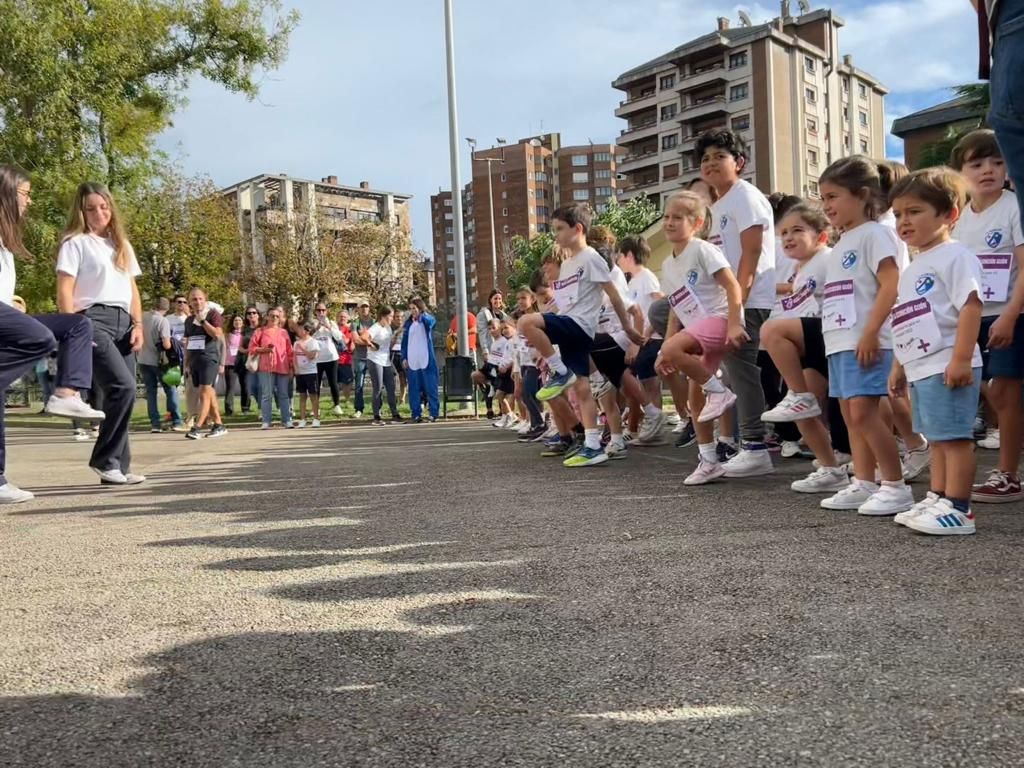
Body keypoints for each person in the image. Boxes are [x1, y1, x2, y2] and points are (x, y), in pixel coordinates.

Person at [888, 168, 983, 535]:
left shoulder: (955, 256)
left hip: (948, 363)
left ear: (949, 214)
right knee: (938, 437)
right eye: (897, 214)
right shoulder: (914, 265)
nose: (904, 221)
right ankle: (940, 496)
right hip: (921, 366)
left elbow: (971, 306)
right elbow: (906, 319)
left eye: (915, 211)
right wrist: (898, 364)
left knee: (955, 439)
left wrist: (961, 358)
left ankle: (960, 509)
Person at [817, 156, 913, 515]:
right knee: (849, 414)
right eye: (823, 198)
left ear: (861, 195)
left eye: (832, 197)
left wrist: (872, 332)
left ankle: (895, 485)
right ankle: (864, 480)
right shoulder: (843, 241)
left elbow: (891, 284)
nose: (826, 206)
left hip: (867, 339)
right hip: (841, 341)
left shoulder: (876, 234)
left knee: (865, 413)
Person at [518, 203, 643, 468]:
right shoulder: (568, 264)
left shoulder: (591, 258)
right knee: (583, 388)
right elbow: (567, 301)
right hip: (571, 326)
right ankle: (593, 445)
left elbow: (615, 297)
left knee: (526, 322)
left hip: (580, 325)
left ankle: (558, 371)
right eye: (554, 230)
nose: (557, 235)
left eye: (560, 229)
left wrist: (629, 329)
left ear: (578, 229)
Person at [947, 130, 1024, 503]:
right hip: (972, 319)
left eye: (997, 161)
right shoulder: (960, 223)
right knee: (983, 391)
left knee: (1007, 392)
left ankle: (1008, 475)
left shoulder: (1014, 206)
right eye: (976, 164)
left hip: (1011, 314)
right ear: (959, 171)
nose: (988, 170)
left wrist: (1011, 314)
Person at [698, 129, 777, 478]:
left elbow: (752, 252)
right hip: (727, 303)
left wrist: (737, 305)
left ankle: (756, 446)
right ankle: (743, 442)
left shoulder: (745, 196)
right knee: (733, 372)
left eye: (719, 156)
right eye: (705, 159)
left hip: (750, 299)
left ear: (739, 163)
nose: (711, 163)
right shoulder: (717, 206)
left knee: (743, 372)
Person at [654, 192, 747, 485]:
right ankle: (709, 461)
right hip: (695, 329)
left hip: (720, 322)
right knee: (697, 399)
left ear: (696, 223)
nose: (669, 222)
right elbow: (675, 309)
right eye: (667, 216)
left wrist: (734, 324)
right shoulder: (668, 266)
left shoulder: (703, 250)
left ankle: (719, 392)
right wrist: (665, 350)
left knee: (707, 390)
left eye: (677, 218)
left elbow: (733, 286)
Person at [56, 181, 144, 486]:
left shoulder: (121, 244)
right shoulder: (74, 242)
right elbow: (65, 290)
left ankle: (120, 465)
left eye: (104, 207)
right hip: (91, 320)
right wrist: (70, 330)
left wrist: (139, 325)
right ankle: (105, 460)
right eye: (91, 208)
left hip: (124, 323)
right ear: (82, 211)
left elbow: (132, 290)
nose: (99, 213)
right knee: (123, 387)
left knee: (121, 393)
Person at [759, 204, 850, 493]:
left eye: (797, 230)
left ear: (822, 237)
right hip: (815, 344)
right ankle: (830, 469)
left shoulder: (829, 259)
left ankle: (899, 452)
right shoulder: (801, 270)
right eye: (783, 232)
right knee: (800, 412)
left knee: (772, 330)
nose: (787, 237)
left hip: (835, 336)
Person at [183, 288, 227, 439]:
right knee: (209, 393)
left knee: (204, 392)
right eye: (194, 299)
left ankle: (198, 427)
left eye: (200, 299)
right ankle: (219, 424)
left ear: (205, 300)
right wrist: (187, 364)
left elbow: (217, 334)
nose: (197, 302)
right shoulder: (189, 320)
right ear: (190, 302)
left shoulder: (213, 314)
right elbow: (188, 343)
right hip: (195, 360)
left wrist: (203, 321)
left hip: (209, 358)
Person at [139, 296, 185, 432]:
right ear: (167, 308)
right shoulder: (162, 320)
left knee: (150, 392)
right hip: (161, 361)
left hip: (143, 359)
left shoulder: (142, 317)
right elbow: (166, 344)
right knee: (171, 389)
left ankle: (155, 424)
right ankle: (177, 420)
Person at [248, 306, 294, 429]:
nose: (274, 318)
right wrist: (263, 349)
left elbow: (289, 351)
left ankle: (287, 420)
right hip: (266, 367)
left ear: (280, 318)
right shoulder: (260, 331)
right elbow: (251, 348)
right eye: (272, 315)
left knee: (284, 395)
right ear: (267, 317)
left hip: (282, 366)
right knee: (266, 395)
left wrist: (291, 367)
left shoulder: (284, 332)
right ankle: (266, 421)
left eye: (277, 316)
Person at [513, 287, 546, 441]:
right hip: (525, 362)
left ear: (532, 299)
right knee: (529, 394)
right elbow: (518, 345)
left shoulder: (536, 318)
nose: (520, 301)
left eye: (523, 298)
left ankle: (539, 424)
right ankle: (536, 424)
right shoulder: (520, 319)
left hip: (535, 363)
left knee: (528, 394)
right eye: (518, 298)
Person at [401, 297, 440, 423]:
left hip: (426, 359)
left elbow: (431, 323)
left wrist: (422, 316)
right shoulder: (408, 324)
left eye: (415, 308)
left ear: (420, 308)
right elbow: (404, 342)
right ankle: (416, 413)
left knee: (431, 387)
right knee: (414, 388)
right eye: (411, 309)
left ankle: (433, 413)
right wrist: (404, 357)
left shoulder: (427, 319)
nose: (413, 311)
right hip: (413, 360)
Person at [365, 305, 402, 425]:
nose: (392, 318)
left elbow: (388, 347)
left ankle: (394, 414)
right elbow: (364, 337)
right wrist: (371, 345)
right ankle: (377, 416)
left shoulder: (388, 328)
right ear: (383, 316)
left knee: (391, 387)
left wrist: (395, 337)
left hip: (386, 360)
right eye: (390, 316)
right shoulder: (375, 327)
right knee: (378, 387)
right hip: (375, 360)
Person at [311, 301, 344, 416]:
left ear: (326, 311)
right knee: (316, 384)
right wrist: (317, 327)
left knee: (333, 382)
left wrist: (329, 327)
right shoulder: (312, 323)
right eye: (319, 310)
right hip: (317, 358)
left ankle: (337, 405)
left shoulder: (331, 322)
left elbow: (339, 337)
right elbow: (308, 337)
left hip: (331, 358)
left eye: (323, 310)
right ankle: (316, 407)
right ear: (315, 312)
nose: (321, 313)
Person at [293, 321, 322, 428]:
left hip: (311, 372)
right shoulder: (296, 343)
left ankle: (316, 419)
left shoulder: (313, 342)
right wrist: (296, 369)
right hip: (300, 373)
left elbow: (311, 356)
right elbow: (294, 357)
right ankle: (302, 419)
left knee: (313, 396)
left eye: (301, 329)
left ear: (307, 331)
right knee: (302, 396)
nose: (299, 331)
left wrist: (302, 348)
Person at [350, 301, 374, 417]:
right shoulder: (355, 323)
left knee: (377, 384)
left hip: (373, 357)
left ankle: (377, 408)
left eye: (366, 306)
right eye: (362, 307)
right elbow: (356, 340)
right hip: (359, 357)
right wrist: (369, 342)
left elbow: (377, 339)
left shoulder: (374, 323)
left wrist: (363, 337)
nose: (364, 309)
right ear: (358, 309)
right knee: (359, 384)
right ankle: (359, 409)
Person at [237, 306, 262, 414]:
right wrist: (248, 351)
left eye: (254, 313)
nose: (251, 315)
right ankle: (260, 406)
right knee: (251, 386)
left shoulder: (263, 328)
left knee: (262, 386)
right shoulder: (244, 330)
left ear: (258, 315)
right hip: (250, 362)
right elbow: (240, 347)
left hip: (262, 360)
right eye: (249, 313)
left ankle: (263, 409)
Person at [476, 289, 507, 363]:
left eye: (500, 299)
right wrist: (485, 351)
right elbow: (482, 333)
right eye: (495, 298)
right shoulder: (484, 314)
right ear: (490, 300)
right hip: (491, 349)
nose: (498, 301)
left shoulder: (504, 315)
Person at [222, 314, 244, 416]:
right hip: (230, 363)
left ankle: (245, 408)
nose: (237, 322)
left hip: (242, 363)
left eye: (239, 320)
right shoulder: (227, 334)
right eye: (235, 320)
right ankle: (229, 409)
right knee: (230, 387)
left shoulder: (245, 334)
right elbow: (224, 349)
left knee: (245, 386)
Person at [336, 309, 355, 405]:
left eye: (344, 317)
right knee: (334, 383)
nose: (342, 318)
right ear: (337, 318)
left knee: (347, 382)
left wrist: (339, 334)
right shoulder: (333, 328)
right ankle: (336, 402)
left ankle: (347, 400)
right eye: (340, 316)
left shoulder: (349, 329)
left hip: (345, 360)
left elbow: (347, 341)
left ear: (347, 319)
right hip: (333, 360)